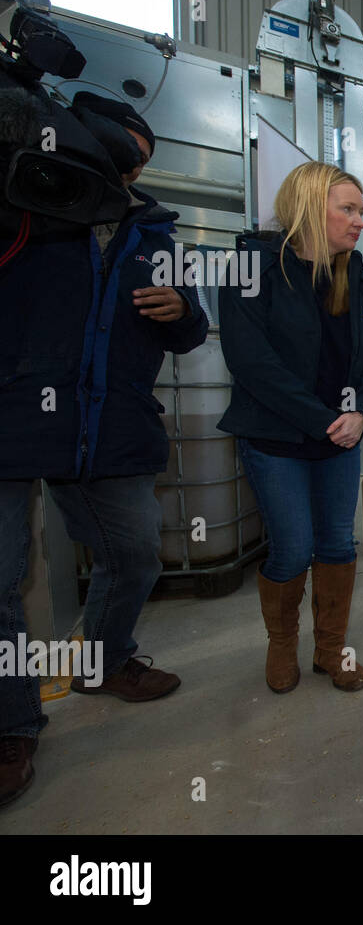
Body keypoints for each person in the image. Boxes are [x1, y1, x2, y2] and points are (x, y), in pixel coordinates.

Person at [1, 96, 207, 807]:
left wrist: (183, 309)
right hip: (14, 416)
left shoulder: (153, 232)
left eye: (141, 163)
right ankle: (12, 724)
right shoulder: (22, 201)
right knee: (2, 575)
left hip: (111, 425)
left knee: (137, 552)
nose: (132, 172)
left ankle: (105, 657)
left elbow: (191, 330)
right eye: (126, 157)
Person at [217, 162, 363, 693]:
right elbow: (252, 363)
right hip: (277, 439)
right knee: (292, 547)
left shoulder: (357, 281)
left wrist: (359, 413)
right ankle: (282, 645)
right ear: (312, 208)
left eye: (360, 210)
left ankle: (331, 649)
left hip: (341, 438)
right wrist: (324, 420)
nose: (359, 221)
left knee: (337, 543)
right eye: (348, 209)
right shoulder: (252, 269)